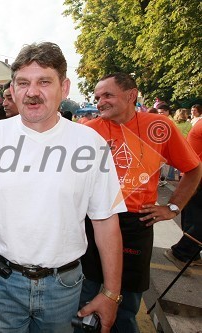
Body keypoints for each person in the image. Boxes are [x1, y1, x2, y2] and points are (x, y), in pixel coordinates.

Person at [0, 42, 125, 333]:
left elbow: (106, 221)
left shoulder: (90, 144)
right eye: (23, 83)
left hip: (64, 286)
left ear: (64, 87)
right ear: (14, 89)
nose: (32, 92)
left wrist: (111, 294)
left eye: (44, 81)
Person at [80, 73, 202, 333]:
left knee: (126, 307)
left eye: (108, 95)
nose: (100, 102)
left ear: (131, 95)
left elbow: (193, 169)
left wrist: (173, 207)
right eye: (98, 96)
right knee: (85, 297)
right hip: (93, 221)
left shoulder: (160, 126)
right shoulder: (88, 130)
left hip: (136, 223)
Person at [164, 118, 202, 273]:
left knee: (194, 216)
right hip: (196, 175)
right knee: (197, 219)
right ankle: (181, 252)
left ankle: (191, 253)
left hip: (194, 174)